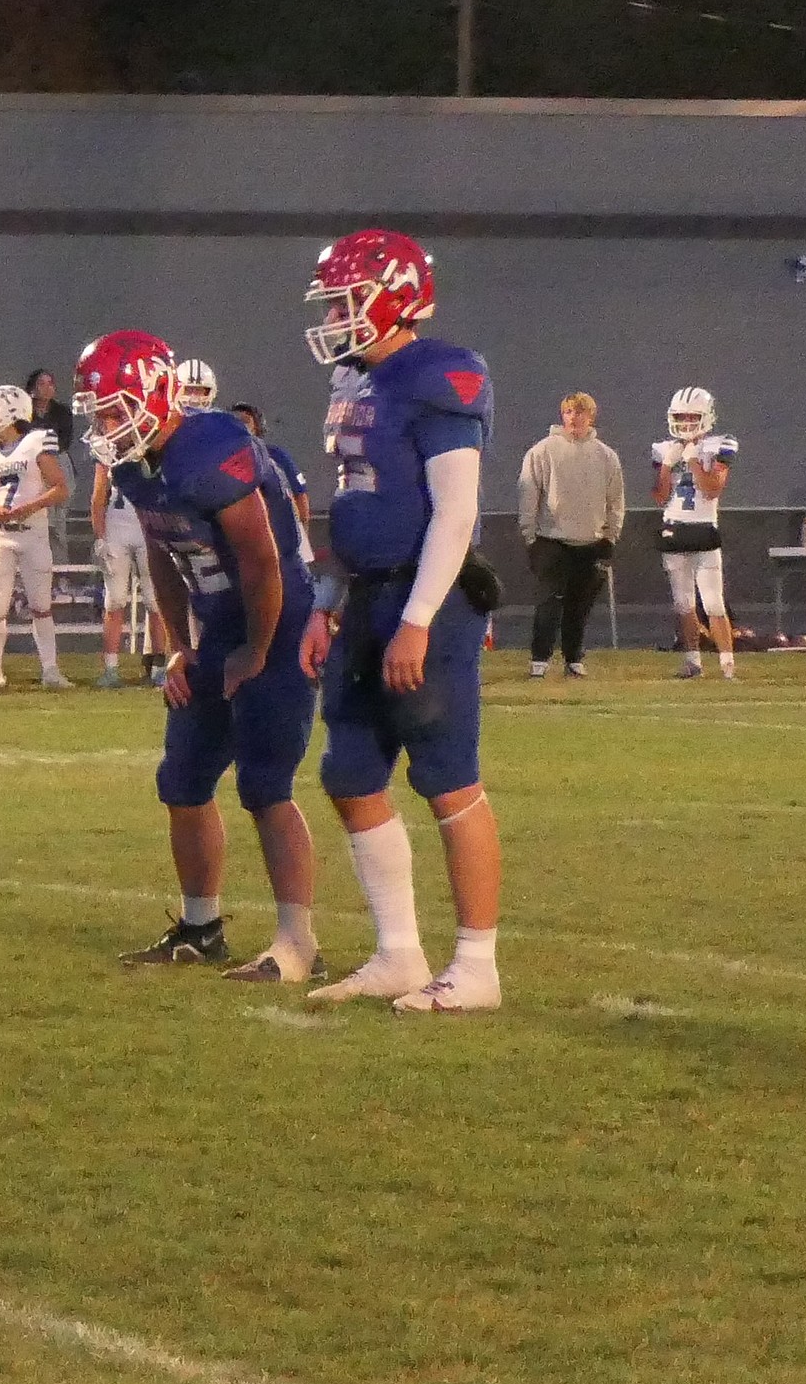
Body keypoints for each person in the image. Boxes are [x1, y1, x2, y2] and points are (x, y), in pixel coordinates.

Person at [74, 330, 320, 982]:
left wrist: (256, 651)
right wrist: (181, 648)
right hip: (214, 631)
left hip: (276, 623)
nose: (105, 422)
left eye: (114, 407)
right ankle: (200, 927)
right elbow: (162, 548)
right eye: (98, 410)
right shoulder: (134, 462)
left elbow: (265, 562)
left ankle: (299, 943)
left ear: (156, 393)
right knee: (182, 780)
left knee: (266, 786)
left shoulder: (215, 447)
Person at [299, 228, 502, 1015]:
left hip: (429, 602)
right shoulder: (356, 380)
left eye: (347, 299)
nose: (336, 315)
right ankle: (398, 952)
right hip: (364, 600)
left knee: (449, 781)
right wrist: (326, 603)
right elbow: (354, 501)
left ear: (390, 296)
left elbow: (456, 512)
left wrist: (417, 619)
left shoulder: (436, 375)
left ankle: (477, 965)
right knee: (348, 773)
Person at [517, 392, 625, 679]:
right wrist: (530, 537)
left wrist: (610, 538)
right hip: (551, 540)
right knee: (549, 602)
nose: (573, 418)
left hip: (591, 542)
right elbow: (528, 495)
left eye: (579, 412)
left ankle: (574, 659)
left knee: (580, 606)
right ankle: (539, 660)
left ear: (591, 416)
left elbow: (616, 502)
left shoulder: (606, 456)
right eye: (568, 412)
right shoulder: (542, 451)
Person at [0, 383, 72, 690]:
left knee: (41, 604)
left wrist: (26, 508)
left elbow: (60, 488)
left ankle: (51, 669)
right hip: (0, 535)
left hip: (33, 532)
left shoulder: (35, 442)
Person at [651, 385, 739, 681]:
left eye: (692, 416)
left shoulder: (720, 445)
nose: (686, 422)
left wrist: (691, 461)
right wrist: (666, 466)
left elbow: (712, 489)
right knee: (683, 603)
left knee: (713, 602)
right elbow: (660, 497)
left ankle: (727, 665)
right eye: (681, 416)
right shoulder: (664, 448)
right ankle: (692, 662)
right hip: (674, 528)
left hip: (704, 529)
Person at [90, 459, 168, 688]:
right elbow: (98, 495)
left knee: (155, 600)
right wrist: (100, 537)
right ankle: (111, 668)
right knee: (114, 600)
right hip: (118, 525)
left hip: (149, 523)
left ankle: (159, 666)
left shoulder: (153, 443)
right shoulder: (109, 448)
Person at [229, 403, 311, 528]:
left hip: (277, 529)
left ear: (258, 426)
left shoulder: (276, 456)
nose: (240, 426)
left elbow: (300, 495)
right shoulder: (220, 460)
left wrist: (302, 533)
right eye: (235, 421)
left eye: (245, 421)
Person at [25, 370, 75, 565]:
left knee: (57, 526)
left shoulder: (61, 412)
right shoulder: (24, 412)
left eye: (50, 383)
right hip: (30, 464)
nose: (47, 388)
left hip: (56, 463)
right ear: (32, 389)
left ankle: (62, 573)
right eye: (42, 384)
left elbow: (64, 441)